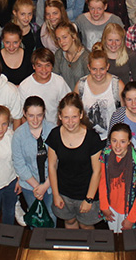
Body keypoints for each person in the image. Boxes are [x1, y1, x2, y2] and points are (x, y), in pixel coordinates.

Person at [46, 93, 105, 229]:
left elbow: (97, 171)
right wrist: (55, 194)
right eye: (66, 117)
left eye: (74, 117)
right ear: (60, 116)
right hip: (64, 193)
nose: (70, 122)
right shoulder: (54, 135)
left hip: (87, 193)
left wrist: (89, 199)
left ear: (80, 115)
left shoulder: (92, 138)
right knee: (70, 222)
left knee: (86, 226)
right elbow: (52, 166)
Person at [98, 123, 136, 233]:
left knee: (127, 241)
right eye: (114, 140)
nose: (117, 146)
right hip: (111, 207)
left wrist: (131, 218)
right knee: (113, 237)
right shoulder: (106, 154)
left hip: (129, 210)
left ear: (129, 141)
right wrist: (104, 206)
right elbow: (102, 181)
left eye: (122, 141)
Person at [12, 96, 56, 219]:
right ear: (24, 114)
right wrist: (37, 187)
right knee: (36, 217)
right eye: (31, 115)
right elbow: (19, 164)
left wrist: (46, 185)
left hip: (51, 183)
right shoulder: (18, 135)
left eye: (39, 115)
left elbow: (58, 161)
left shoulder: (53, 130)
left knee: (51, 216)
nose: (36, 120)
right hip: (29, 186)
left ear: (44, 113)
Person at [75, 48, 124, 141]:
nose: (98, 73)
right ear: (89, 67)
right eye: (94, 69)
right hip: (86, 138)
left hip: (111, 139)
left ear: (107, 67)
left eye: (102, 69)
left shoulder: (117, 85)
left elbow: (125, 114)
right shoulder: (81, 85)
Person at [19, 48, 71, 124]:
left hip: (55, 126)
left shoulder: (59, 82)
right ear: (33, 66)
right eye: (39, 66)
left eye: (47, 65)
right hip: (33, 127)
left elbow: (68, 105)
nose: (44, 70)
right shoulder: (24, 86)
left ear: (52, 66)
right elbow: (22, 115)